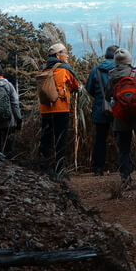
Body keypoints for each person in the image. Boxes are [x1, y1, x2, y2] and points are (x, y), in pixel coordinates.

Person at [108, 48, 136, 188]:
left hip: (121, 118)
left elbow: (107, 95)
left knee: (123, 150)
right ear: (129, 60)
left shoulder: (112, 77)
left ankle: (126, 180)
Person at [37, 44, 81, 176]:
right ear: (57, 55)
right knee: (60, 139)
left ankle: (44, 167)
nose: (67, 55)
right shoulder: (64, 68)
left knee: (46, 138)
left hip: (45, 109)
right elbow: (77, 85)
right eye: (65, 52)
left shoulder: (41, 69)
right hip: (60, 108)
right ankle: (59, 169)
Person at [85, 45, 118, 176]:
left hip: (100, 108)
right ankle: (123, 167)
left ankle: (98, 168)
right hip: (118, 109)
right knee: (121, 138)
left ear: (105, 55)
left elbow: (89, 89)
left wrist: (101, 98)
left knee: (100, 139)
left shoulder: (95, 70)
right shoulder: (120, 70)